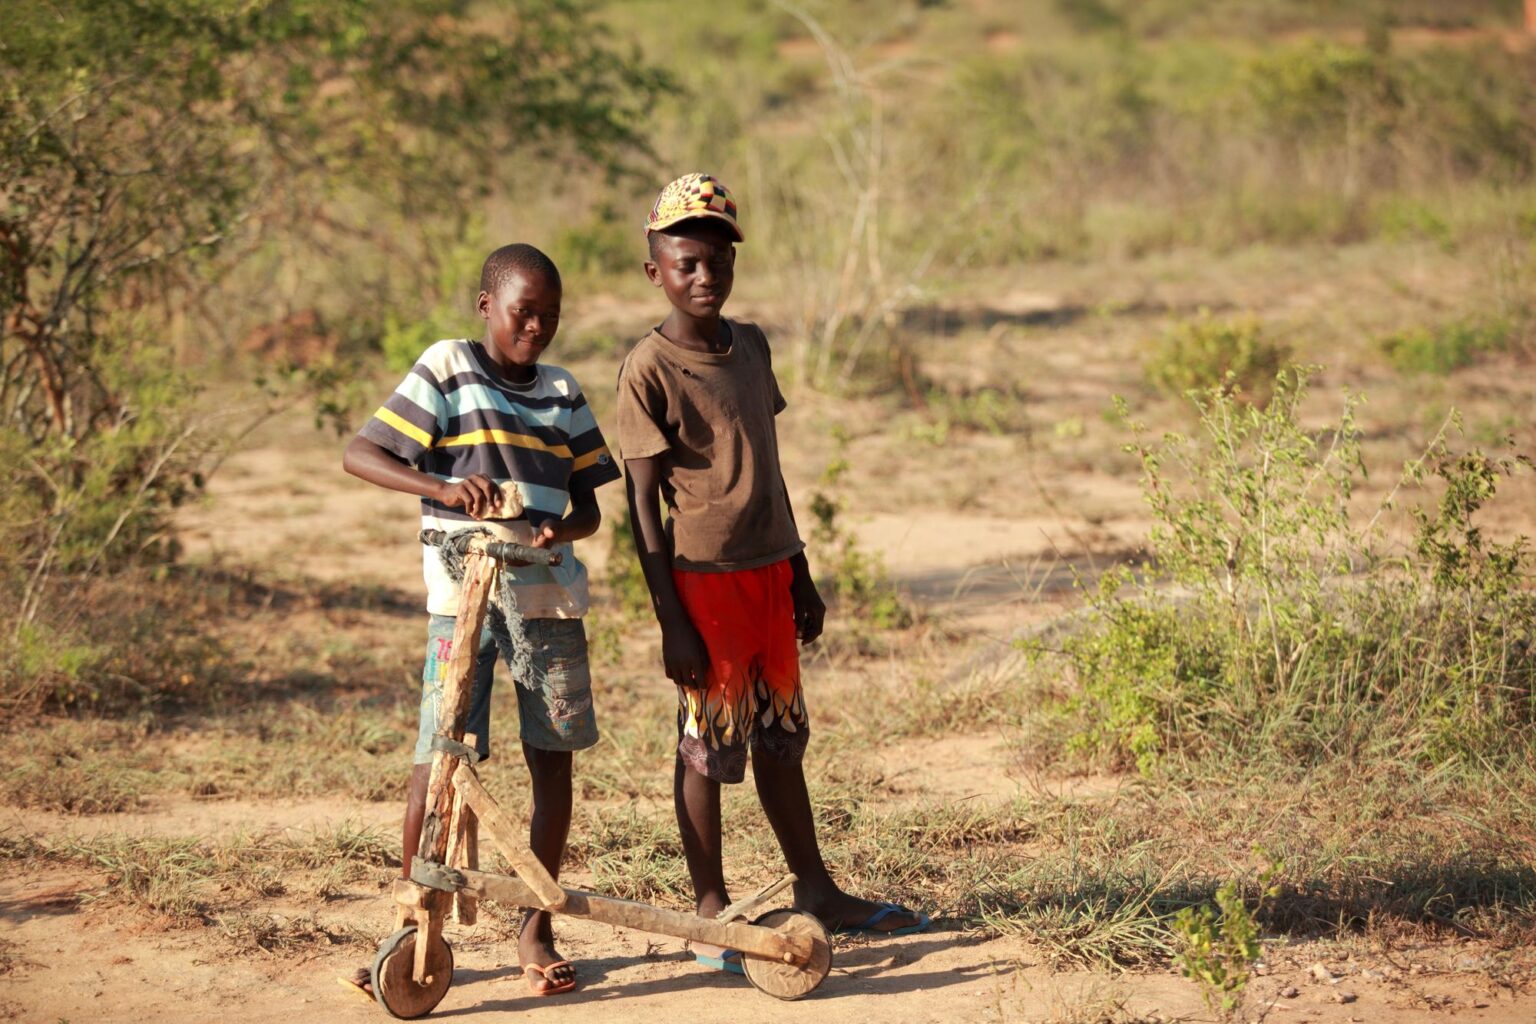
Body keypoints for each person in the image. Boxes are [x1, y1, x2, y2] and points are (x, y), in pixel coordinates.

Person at [615, 173, 929, 975]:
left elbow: (772, 467)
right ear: (655, 269)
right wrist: (670, 620)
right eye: (686, 260)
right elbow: (642, 507)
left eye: (717, 258)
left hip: (766, 576)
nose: (704, 274)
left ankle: (815, 887)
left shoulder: (749, 346)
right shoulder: (647, 368)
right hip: (703, 586)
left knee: (780, 742)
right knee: (708, 747)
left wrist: (802, 572)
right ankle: (711, 910)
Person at [339, 243, 620, 997]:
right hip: (460, 609)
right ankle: (410, 926)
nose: (536, 328)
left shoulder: (562, 391)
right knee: (438, 763)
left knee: (551, 762)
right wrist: (441, 485)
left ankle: (536, 923)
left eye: (549, 316)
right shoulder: (449, 367)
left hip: (547, 602)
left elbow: (590, 500)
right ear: (486, 306)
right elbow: (360, 453)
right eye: (523, 311)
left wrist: (569, 530)